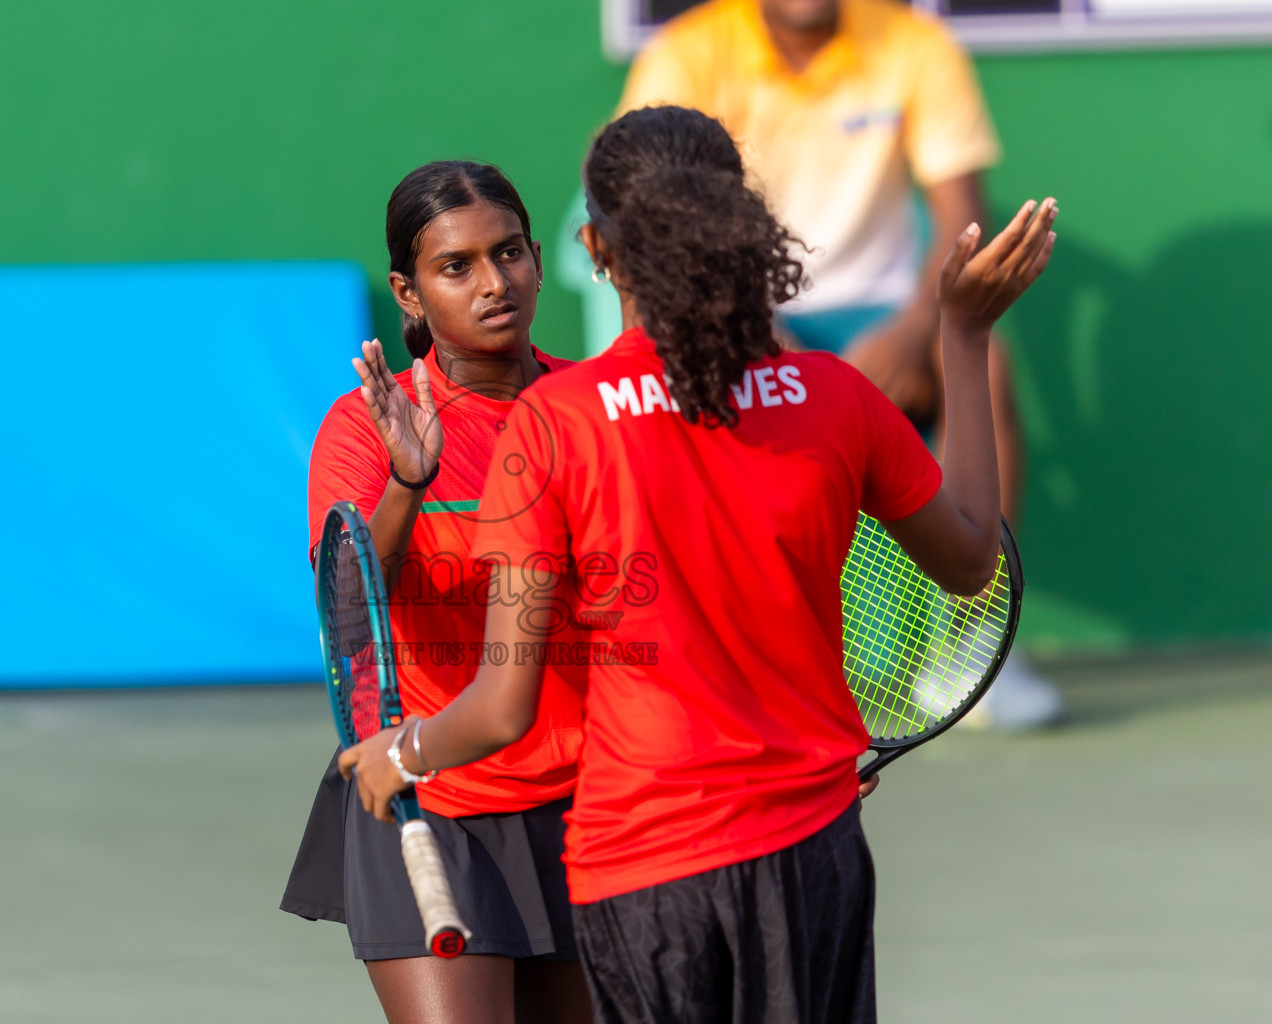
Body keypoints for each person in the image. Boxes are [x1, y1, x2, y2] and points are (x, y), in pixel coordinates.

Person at [340, 106, 1057, 1023]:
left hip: (645, 863)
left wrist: (400, 752)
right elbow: (970, 562)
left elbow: (501, 705)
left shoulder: (555, 424)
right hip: (814, 848)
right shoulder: (832, 395)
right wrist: (962, 336)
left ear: (596, 247)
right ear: (742, 222)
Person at [609, 0, 1061, 729]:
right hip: (745, 315)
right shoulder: (683, 55)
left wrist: (917, 332)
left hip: (885, 319)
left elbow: (960, 222)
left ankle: (974, 647)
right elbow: (653, 224)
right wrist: (753, 326)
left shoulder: (917, 46)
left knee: (990, 365)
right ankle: (735, 654)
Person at [279, 161, 593, 1024]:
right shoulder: (363, 429)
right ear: (407, 292)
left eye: (509, 254)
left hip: (593, 799)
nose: (494, 283)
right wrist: (407, 485)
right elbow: (349, 608)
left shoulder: (593, 410)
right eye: (456, 266)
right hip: (431, 793)